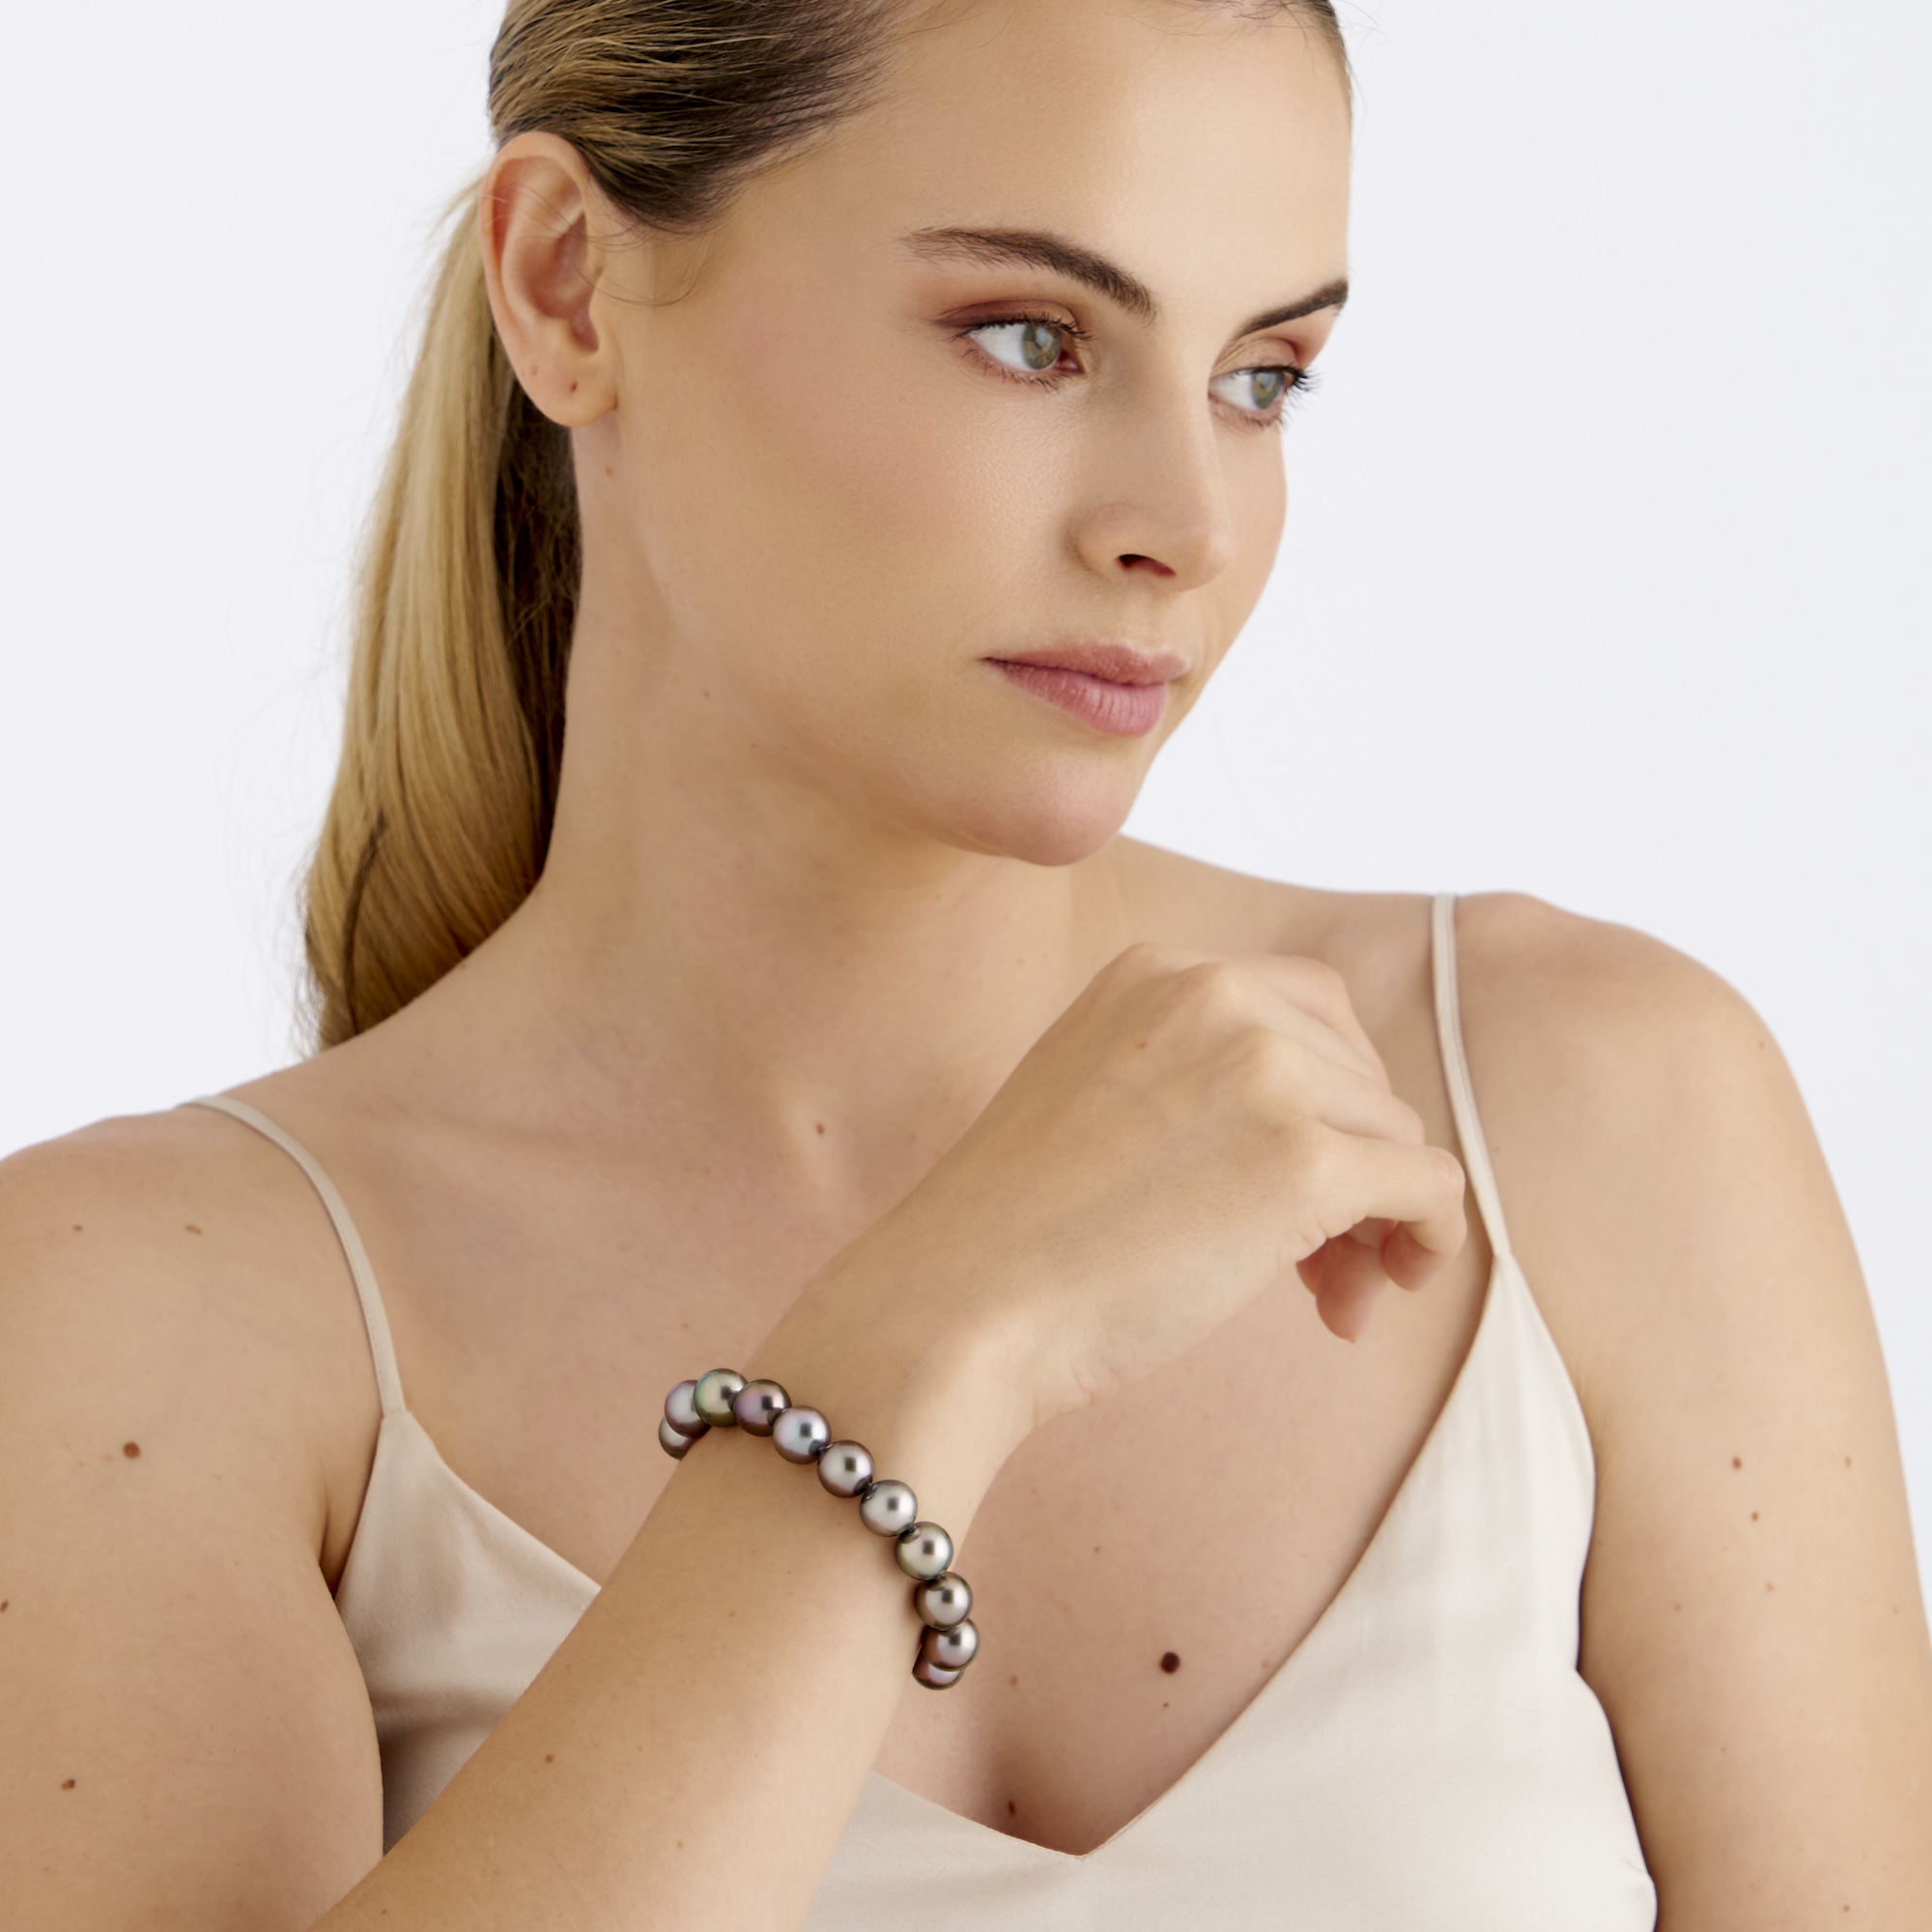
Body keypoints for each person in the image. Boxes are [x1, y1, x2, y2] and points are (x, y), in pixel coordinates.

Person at [3, 0, 1928, 1924]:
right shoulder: (140, 1314)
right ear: (568, 284)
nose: (1184, 527)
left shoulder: (1583, 1109)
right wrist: (935, 1340)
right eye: (1031, 337)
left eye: (1262, 378)